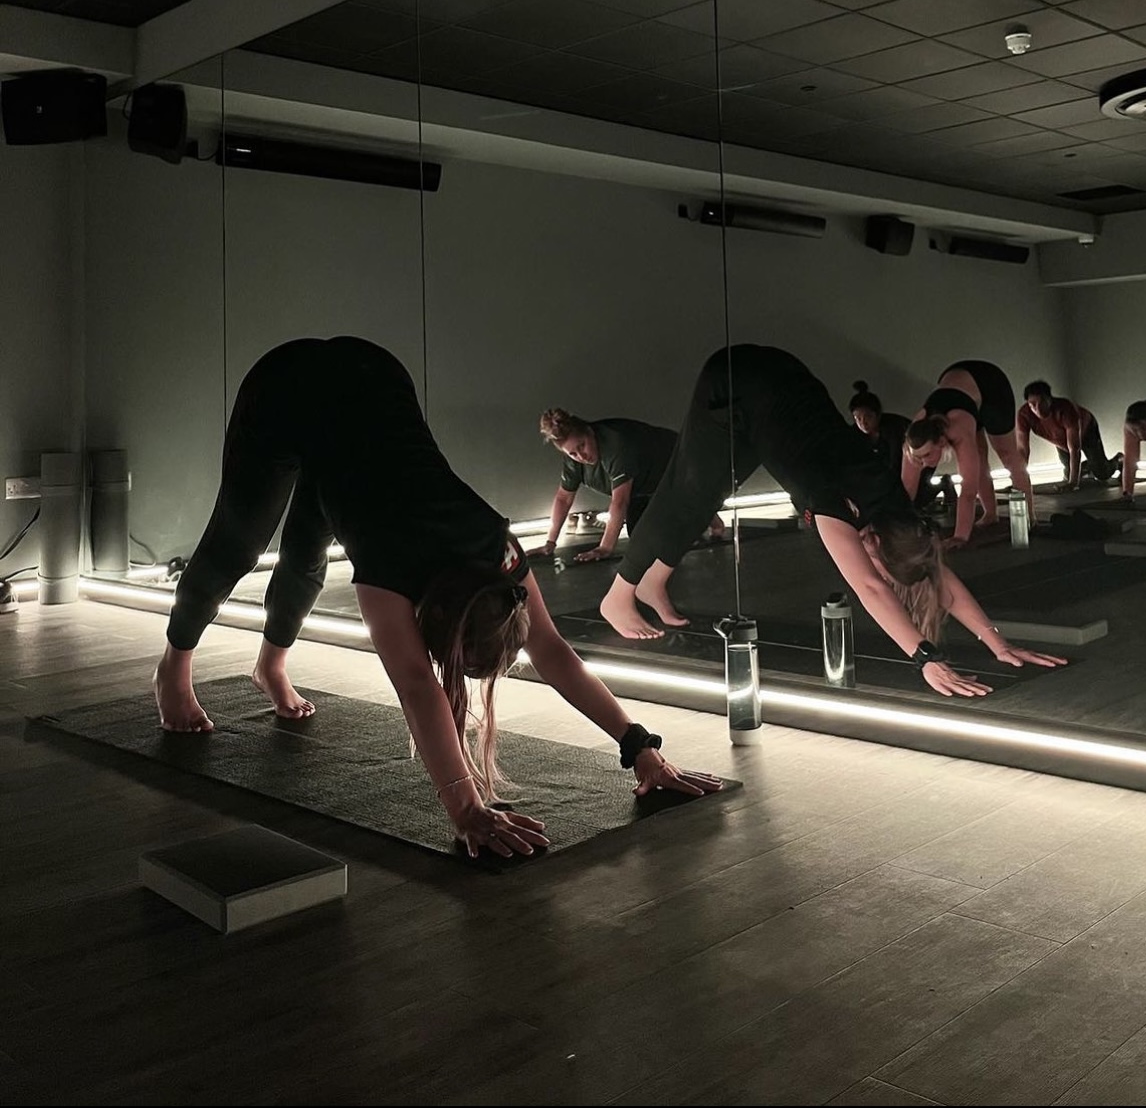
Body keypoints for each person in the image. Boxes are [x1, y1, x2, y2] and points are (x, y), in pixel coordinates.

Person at [152, 337, 718, 860]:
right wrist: (465, 809)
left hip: (375, 385)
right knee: (238, 546)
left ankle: (270, 667)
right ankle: (172, 669)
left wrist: (639, 747)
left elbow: (550, 649)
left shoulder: (498, 550)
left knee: (307, 555)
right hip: (288, 390)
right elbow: (417, 686)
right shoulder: (388, 569)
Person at [598, 345, 1065, 700]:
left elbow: (935, 574)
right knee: (686, 491)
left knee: (711, 491)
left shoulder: (896, 507)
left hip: (784, 385)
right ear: (872, 540)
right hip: (738, 382)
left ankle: (653, 582)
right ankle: (618, 597)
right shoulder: (834, 505)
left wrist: (997, 643)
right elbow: (870, 588)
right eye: (879, 562)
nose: (878, 569)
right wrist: (925, 658)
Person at [531, 409, 723, 563]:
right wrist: (550, 543)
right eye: (573, 453)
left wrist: (605, 548)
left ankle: (709, 518)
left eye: (582, 446)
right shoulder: (574, 462)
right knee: (642, 540)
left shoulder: (616, 444)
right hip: (642, 486)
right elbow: (563, 498)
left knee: (681, 527)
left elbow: (620, 502)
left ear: (590, 432)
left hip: (678, 463)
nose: (582, 456)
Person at [902, 360, 1032, 547]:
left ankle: (1029, 517)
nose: (923, 462)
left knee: (1007, 454)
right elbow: (906, 491)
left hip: (990, 385)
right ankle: (990, 514)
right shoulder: (913, 439)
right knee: (977, 454)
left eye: (927, 455)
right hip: (958, 383)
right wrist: (897, 532)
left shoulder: (958, 431)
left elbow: (968, 490)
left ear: (941, 442)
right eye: (918, 457)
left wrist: (960, 537)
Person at [851, 381, 955, 511]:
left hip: (918, 459)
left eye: (868, 417)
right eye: (858, 418)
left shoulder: (895, 428)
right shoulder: (855, 435)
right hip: (889, 472)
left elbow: (895, 462)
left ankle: (943, 484)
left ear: (877, 414)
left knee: (913, 499)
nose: (863, 423)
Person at [1018, 379, 1122, 491]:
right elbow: (1023, 450)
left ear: (1050, 399)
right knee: (1069, 474)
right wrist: (1019, 480)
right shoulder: (1024, 415)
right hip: (1060, 439)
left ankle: (1120, 460)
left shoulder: (1066, 409)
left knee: (1102, 473)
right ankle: (1090, 465)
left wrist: (1073, 484)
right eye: (1032, 405)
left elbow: (1074, 449)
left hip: (1087, 431)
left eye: (1042, 403)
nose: (1037, 409)